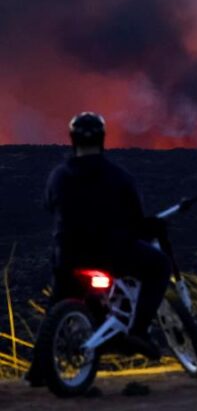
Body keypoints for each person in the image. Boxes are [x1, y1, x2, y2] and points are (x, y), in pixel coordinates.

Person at [43, 112, 170, 359]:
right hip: (113, 255)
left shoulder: (58, 176)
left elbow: (48, 206)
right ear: (102, 139)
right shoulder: (119, 176)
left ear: (72, 140)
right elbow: (136, 219)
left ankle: (38, 370)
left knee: (55, 308)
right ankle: (139, 331)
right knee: (159, 266)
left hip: (68, 257)